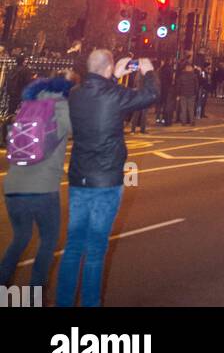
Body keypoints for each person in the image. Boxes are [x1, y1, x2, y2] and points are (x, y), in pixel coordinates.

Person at [55, 50, 158, 307]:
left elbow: (99, 95)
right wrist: (149, 72)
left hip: (80, 179)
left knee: (73, 246)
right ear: (109, 68)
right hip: (106, 181)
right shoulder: (114, 95)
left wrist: (113, 78)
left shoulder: (76, 94)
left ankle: (64, 302)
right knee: (96, 250)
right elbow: (150, 95)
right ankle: (91, 303)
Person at [1, 71, 73, 295]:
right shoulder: (61, 106)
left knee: (20, 238)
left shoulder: (28, 103)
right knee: (49, 241)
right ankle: (35, 294)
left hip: (13, 185)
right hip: (43, 188)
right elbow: (71, 130)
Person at [177, 59, 198, 125]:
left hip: (183, 94)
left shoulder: (181, 76)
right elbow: (196, 86)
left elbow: (178, 86)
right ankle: (192, 121)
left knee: (183, 109)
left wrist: (178, 94)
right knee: (191, 108)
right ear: (191, 69)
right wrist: (195, 93)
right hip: (191, 94)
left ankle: (183, 121)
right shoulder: (194, 76)